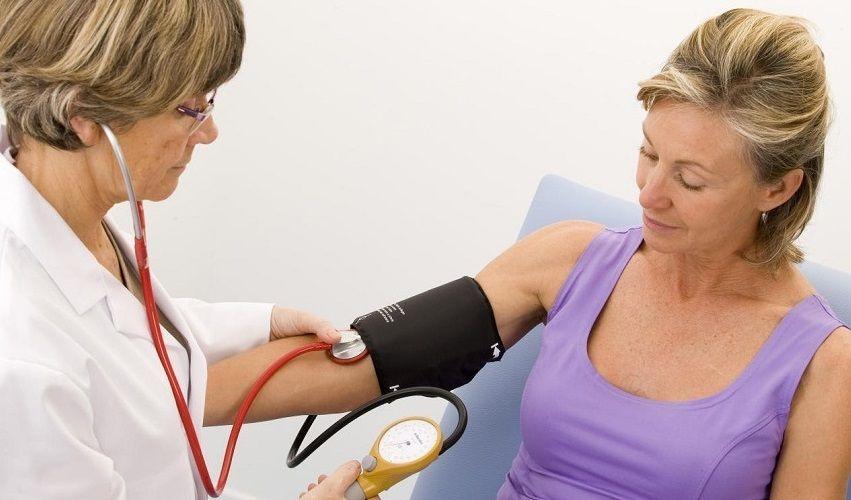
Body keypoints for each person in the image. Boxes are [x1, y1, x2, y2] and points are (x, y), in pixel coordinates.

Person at [306, 8, 851, 498]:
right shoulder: (570, 259)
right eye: (648, 152)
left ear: (778, 188)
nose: (648, 193)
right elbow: (363, 361)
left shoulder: (824, 364)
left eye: (690, 180)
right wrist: (248, 333)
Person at [0, 1, 381, 499]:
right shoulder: (22, 361)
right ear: (84, 114)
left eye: (209, 101)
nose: (209, 132)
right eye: (189, 109)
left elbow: (119, 334)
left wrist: (262, 323)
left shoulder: (63, 220)